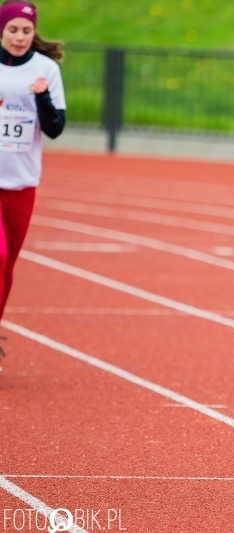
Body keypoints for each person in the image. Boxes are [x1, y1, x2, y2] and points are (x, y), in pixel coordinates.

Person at [0, 0, 66, 372]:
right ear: (2, 30)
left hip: (22, 182)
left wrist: (40, 96)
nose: (20, 37)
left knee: (8, 269)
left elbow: (55, 128)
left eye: (26, 31)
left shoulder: (46, 69)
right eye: (13, 30)